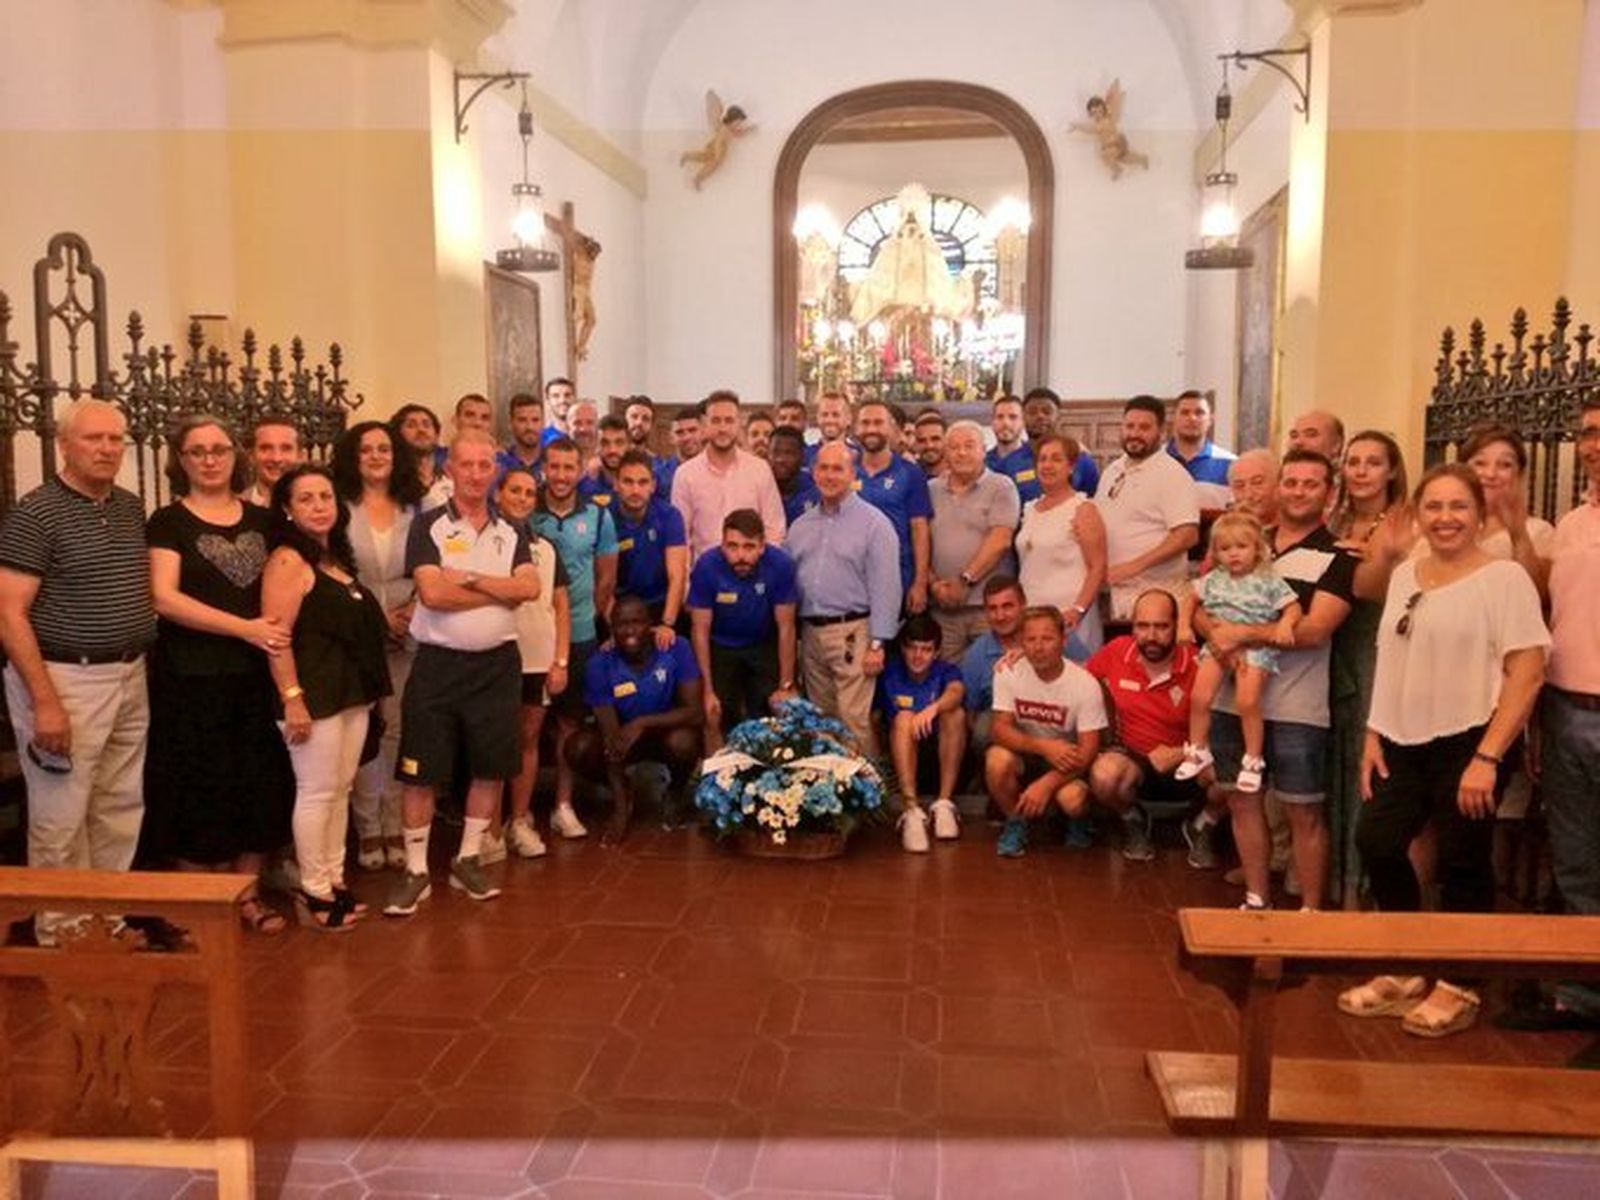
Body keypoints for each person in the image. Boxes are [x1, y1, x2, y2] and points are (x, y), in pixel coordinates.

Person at [1339, 464, 1547, 1037]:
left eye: (1459, 507)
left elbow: (1527, 671)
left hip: (1473, 739)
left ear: (1480, 515)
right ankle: (1407, 964)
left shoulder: (1504, 579)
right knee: (1376, 839)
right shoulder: (1407, 573)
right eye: (1434, 507)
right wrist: (1373, 734)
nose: (1446, 518)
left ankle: (1460, 983)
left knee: (1462, 858)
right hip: (1403, 736)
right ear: (1419, 514)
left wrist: (1487, 758)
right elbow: (1391, 655)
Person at [0, 401, 155, 943]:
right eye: (94, 439)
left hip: (129, 674)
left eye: (116, 439)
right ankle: (62, 931)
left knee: (117, 806)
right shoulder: (36, 514)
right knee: (62, 813)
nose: (108, 449)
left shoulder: (130, 507)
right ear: (64, 445)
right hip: (65, 679)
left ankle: (104, 922)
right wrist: (45, 701)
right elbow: (8, 611)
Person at [142, 416, 294, 934]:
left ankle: (247, 895)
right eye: (197, 451)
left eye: (219, 449)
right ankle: (200, 901)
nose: (209, 459)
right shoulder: (168, 521)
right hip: (191, 675)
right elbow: (163, 597)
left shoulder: (265, 520)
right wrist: (243, 628)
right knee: (196, 786)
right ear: (180, 460)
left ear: (236, 456)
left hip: (255, 675)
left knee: (256, 783)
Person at [383, 430, 541, 917]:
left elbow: (530, 587)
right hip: (438, 665)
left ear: (494, 470)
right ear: (449, 468)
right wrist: (501, 589)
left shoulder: (513, 530)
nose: (475, 474)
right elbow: (433, 595)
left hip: (497, 666)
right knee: (420, 770)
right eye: (466, 465)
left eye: (484, 465)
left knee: (490, 765)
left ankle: (468, 857)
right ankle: (415, 871)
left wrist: (469, 577)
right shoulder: (427, 525)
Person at [1196, 449, 1357, 913]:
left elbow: (1314, 628)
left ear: (1329, 494)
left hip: (1295, 704)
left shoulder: (1336, 556)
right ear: (1278, 487)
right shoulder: (1245, 541)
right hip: (1231, 697)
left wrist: (1243, 632)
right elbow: (1204, 606)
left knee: (1302, 810)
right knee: (1243, 802)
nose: (1299, 491)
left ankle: (1309, 912)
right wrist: (1215, 636)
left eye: (1312, 484)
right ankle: (1257, 899)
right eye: (1291, 482)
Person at [1504, 401, 1600, 1037]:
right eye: (1589, 433)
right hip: (1567, 703)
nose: (1594, 444)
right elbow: (1548, 608)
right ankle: (1582, 994)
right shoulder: (1572, 522)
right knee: (1576, 858)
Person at [261, 465, 391, 931]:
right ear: (287, 509)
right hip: (311, 696)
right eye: (307, 499)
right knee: (316, 793)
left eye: (326, 497)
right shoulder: (287, 561)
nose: (319, 507)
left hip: (348, 694)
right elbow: (276, 637)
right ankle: (313, 888)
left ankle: (334, 879)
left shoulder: (333, 559)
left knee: (339, 792)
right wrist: (292, 698)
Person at [332, 420, 423, 872]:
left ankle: (396, 822)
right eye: (365, 449)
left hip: (408, 631)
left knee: (399, 731)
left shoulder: (416, 508)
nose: (375, 456)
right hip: (357, 633)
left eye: (383, 448)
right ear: (353, 456)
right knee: (365, 732)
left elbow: (432, 564)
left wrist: (410, 612)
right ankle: (368, 827)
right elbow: (335, 569)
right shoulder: (339, 507)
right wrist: (375, 618)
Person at [1327, 430, 1408, 906]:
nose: (1360, 471)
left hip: (1374, 650)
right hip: (1334, 649)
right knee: (1333, 764)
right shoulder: (1335, 518)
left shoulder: (1401, 523)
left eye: (1372, 462)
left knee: (1367, 765)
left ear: (1392, 470)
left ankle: (1366, 891)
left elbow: (1373, 591)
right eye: (1353, 462)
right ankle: (1338, 884)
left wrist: (1373, 562)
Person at [787, 441, 903, 753]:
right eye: (823, 468)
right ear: (813, 474)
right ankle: (830, 792)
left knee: (854, 719)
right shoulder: (800, 527)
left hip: (854, 632)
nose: (829, 475)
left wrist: (878, 643)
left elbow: (887, 586)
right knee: (820, 721)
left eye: (838, 468)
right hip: (810, 633)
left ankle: (869, 791)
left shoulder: (874, 524)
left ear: (853, 474)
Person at [530, 437, 618, 841]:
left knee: (568, 723)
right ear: (544, 467)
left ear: (581, 470)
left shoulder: (599, 517)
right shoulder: (526, 513)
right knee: (526, 726)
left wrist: (587, 617)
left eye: (570, 467)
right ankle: (520, 808)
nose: (562, 475)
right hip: (530, 635)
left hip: (579, 634)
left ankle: (563, 805)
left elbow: (606, 578)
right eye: (555, 466)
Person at [1176, 512, 1302, 792]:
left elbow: (1293, 607)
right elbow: (1190, 600)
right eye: (1225, 548)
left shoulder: (1268, 579)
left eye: (1241, 547)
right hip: (1217, 646)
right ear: (1215, 552)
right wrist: (1184, 626)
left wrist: (1285, 624)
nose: (1233, 554)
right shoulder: (1214, 579)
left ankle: (1253, 759)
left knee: (1247, 701)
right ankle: (1197, 748)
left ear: (1257, 548)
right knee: (1199, 695)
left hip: (1255, 649)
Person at [1087, 588, 1212, 866]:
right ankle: (1132, 819)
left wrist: (1183, 752)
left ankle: (1203, 823)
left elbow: (1229, 730)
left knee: (1233, 774)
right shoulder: (1118, 651)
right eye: (1142, 626)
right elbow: (1073, 681)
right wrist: (1023, 658)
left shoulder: (1199, 663)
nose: (1151, 636)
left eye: (1161, 626)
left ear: (1177, 625)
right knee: (1104, 776)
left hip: (1191, 760)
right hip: (1134, 761)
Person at [568, 595, 705, 842]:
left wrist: (642, 723)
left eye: (637, 622)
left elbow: (695, 712)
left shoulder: (676, 647)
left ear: (650, 624)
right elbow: (612, 740)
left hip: (666, 732)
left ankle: (675, 790)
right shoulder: (599, 664)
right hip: (624, 738)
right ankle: (623, 793)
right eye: (621, 624)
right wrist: (620, 814)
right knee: (578, 747)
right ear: (611, 629)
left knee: (685, 742)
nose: (630, 631)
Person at [490, 466, 570, 861]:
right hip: (494, 656)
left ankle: (518, 821)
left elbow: (560, 606)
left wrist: (560, 660)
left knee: (527, 739)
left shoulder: (547, 547)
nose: (521, 498)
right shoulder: (484, 541)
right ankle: (487, 829)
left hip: (537, 658)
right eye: (514, 491)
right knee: (492, 743)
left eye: (527, 493)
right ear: (498, 494)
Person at [986, 606, 1108, 858]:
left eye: (1047, 638)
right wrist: (1044, 747)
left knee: (1072, 799)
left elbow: (1088, 751)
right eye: (1030, 639)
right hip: (1029, 754)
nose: (1038, 647)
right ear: (1021, 642)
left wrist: (1046, 784)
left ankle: (1077, 820)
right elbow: (999, 730)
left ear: (1063, 641)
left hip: (1070, 762)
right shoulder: (1007, 671)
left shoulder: (1085, 684)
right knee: (996, 760)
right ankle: (1016, 821)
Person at [687, 509, 798, 751]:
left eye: (749, 547)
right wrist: (707, 690)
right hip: (720, 646)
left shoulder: (780, 565)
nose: (740, 556)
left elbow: (787, 627)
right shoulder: (707, 566)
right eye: (732, 546)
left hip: (764, 643)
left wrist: (786, 685)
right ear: (722, 544)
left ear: (762, 546)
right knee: (714, 713)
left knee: (778, 710)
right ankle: (716, 780)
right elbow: (700, 630)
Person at [1096, 396, 1200, 622]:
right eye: (1129, 426)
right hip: (1113, 592)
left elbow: (1187, 535)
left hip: (1156, 594)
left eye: (1144, 427)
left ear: (1161, 432)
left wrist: (1133, 566)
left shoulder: (1172, 474)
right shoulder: (1112, 470)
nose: (1134, 433)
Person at [928, 421, 1021, 662]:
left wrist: (965, 581)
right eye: (954, 447)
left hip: (988, 609)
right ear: (945, 453)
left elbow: (1000, 540)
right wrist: (933, 584)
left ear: (983, 450)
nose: (961, 452)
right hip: (942, 607)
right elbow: (920, 540)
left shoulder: (1002, 486)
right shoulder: (930, 489)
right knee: (949, 680)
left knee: (990, 678)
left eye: (969, 446)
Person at [877, 613, 966, 853]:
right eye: (913, 648)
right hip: (901, 750)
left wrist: (933, 709)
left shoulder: (946, 670)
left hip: (941, 752)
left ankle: (944, 805)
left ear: (936, 653)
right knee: (905, 717)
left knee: (954, 713)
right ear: (903, 649)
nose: (918, 656)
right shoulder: (890, 671)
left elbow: (956, 691)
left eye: (926, 650)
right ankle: (911, 811)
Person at [1015, 433, 1107, 661]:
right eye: (1043, 459)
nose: (1047, 465)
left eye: (1056, 459)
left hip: (1070, 619)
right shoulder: (1029, 509)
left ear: (1071, 466)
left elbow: (1098, 566)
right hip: (1032, 616)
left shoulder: (1083, 508)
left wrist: (1078, 609)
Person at [670, 389, 786, 562]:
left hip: (753, 574)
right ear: (704, 425)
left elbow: (774, 530)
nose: (722, 428)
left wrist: (763, 574)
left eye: (729, 420)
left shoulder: (759, 470)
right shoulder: (686, 474)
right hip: (705, 577)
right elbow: (680, 537)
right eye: (716, 421)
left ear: (739, 424)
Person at [1458, 422, 1556, 596]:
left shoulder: (1539, 532)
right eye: (1480, 463)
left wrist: (1518, 534)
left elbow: (1540, 597)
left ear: (1519, 474)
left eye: (1505, 465)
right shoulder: (1447, 523)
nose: (1490, 474)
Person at [855, 398, 933, 613]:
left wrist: (919, 583)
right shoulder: (845, 469)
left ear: (892, 429)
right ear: (855, 428)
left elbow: (920, 530)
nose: (871, 429)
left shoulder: (911, 473)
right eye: (865, 423)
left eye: (878, 423)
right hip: (853, 578)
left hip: (898, 576)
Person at [612, 450, 688, 633]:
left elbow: (677, 576)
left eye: (642, 482)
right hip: (621, 608)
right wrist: (614, 627)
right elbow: (604, 582)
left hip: (661, 605)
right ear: (616, 485)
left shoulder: (670, 516)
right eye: (628, 482)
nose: (635, 490)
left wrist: (667, 624)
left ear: (653, 485)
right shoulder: (604, 517)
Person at [960, 575, 1027, 754]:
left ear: (1023, 605)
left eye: (1007, 606)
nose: (1000, 616)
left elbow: (1090, 669)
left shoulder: (1047, 633)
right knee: (983, 732)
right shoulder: (976, 653)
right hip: (999, 723)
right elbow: (970, 712)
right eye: (993, 609)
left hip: (1049, 713)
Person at [1022, 387, 1100, 495]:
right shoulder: (1009, 462)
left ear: (1059, 416)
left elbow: (1094, 501)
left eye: (1047, 411)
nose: (1040, 416)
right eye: (1032, 412)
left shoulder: (1081, 459)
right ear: (1023, 417)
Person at [1166, 390, 1234, 510]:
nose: (1192, 418)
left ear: (1210, 420)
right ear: (1173, 418)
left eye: (1199, 412)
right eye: (1185, 413)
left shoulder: (1231, 463)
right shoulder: (1155, 459)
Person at [391, 403, 451, 511]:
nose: (421, 430)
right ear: (397, 435)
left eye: (427, 425)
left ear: (437, 435)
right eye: (411, 425)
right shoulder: (390, 481)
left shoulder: (451, 481)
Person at [986, 394, 1039, 503]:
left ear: (1023, 422)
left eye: (1013, 417)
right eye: (1000, 417)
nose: (1006, 423)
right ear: (992, 422)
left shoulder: (1037, 458)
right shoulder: (982, 462)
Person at [243, 417, 303, 507]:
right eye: (266, 448)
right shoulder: (232, 510)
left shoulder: (318, 511)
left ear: (300, 457)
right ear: (251, 456)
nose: (276, 458)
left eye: (286, 449)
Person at [770, 426, 820, 526]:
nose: (780, 459)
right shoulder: (759, 486)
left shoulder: (816, 490)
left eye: (788, 453)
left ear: (801, 456)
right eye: (776, 452)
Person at [580, 414, 629, 508]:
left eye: (619, 442)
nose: (612, 450)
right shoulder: (584, 488)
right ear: (596, 446)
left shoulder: (639, 485)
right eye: (605, 443)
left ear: (628, 445)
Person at [655, 406, 704, 496]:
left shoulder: (717, 472)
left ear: (702, 433)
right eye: (679, 432)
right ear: (671, 438)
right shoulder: (658, 476)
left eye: (692, 430)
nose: (687, 437)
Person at [497, 392, 545, 479]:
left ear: (543, 423)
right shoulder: (501, 462)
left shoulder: (552, 461)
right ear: (511, 423)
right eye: (522, 420)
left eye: (535, 420)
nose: (530, 427)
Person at [1227, 448, 1279, 525]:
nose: (1248, 495)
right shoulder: (1226, 533)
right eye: (1240, 486)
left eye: (1257, 483)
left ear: (1278, 483)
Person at [804, 391, 854, 468]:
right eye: (824, 414)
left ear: (848, 419)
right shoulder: (804, 456)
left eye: (836, 415)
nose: (829, 420)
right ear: (817, 418)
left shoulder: (860, 457)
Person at [913, 409, 948, 480]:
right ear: (915, 443)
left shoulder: (960, 476)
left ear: (947, 440)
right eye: (922, 440)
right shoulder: (909, 478)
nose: (929, 445)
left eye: (935, 439)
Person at [543, 376, 576, 440]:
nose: (562, 400)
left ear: (574, 398)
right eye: (556, 396)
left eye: (567, 395)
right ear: (548, 401)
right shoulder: (542, 438)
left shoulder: (585, 434)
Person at [568, 400, 600, 465]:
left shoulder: (609, 465)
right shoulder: (558, 463)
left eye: (590, 422)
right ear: (568, 426)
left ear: (597, 426)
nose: (584, 429)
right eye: (577, 423)